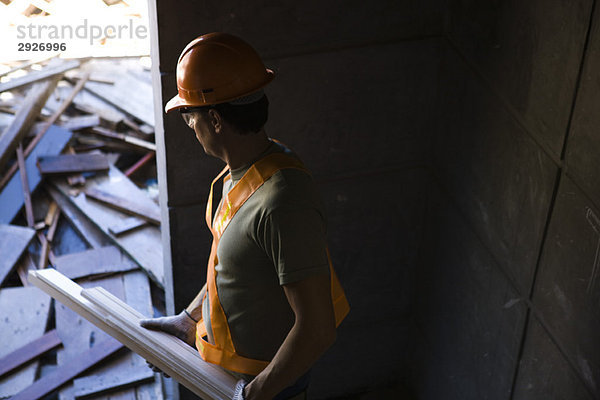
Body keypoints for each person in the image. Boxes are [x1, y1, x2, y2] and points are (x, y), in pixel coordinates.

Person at [140, 32, 349, 400]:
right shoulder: (240, 174)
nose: (190, 126)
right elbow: (234, 265)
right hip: (231, 373)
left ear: (216, 120)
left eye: (190, 116)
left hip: (267, 384)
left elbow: (317, 329)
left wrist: (253, 395)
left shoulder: (283, 202)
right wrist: (189, 320)